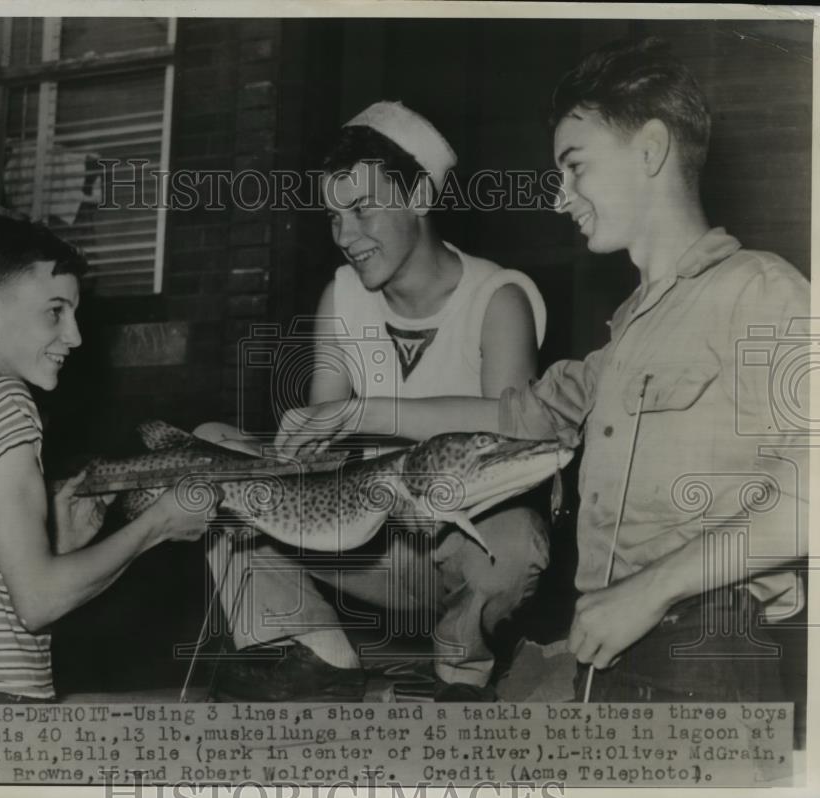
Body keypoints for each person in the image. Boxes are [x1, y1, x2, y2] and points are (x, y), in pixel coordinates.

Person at [279, 39, 808, 702]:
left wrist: (652, 588)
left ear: (649, 150)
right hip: (613, 653)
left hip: (709, 646)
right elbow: (508, 414)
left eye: (575, 166)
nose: (562, 197)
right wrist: (355, 413)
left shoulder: (758, 291)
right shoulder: (624, 341)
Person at [207, 102, 551, 701]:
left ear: (417, 195)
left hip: (463, 552)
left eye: (362, 208)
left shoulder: (500, 299)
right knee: (210, 450)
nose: (345, 236)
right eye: (334, 217)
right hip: (368, 548)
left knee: (518, 540)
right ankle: (318, 655)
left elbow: (511, 431)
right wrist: (294, 451)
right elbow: (316, 467)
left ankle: (460, 670)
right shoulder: (342, 299)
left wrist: (365, 414)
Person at [0, 216, 215, 704]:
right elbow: (38, 602)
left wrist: (59, 540)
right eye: (55, 312)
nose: (75, 336)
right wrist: (158, 525)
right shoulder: (2, 399)